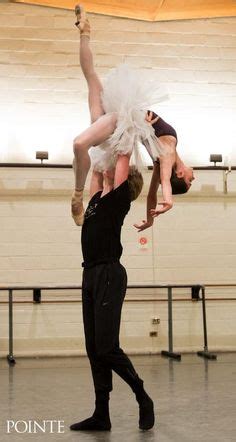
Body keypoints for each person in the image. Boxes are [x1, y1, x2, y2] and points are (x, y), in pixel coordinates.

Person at [71, 5, 194, 228]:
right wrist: (149, 220)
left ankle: (78, 197)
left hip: (123, 118)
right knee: (90, 77)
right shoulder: (161, 159)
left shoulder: (168, 153)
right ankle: (85, 32)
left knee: (90, 83)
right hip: (122, 116)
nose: (193, 177)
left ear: (180, 172)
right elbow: (150, 197)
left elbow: (163, 184)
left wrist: (169, 200)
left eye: (189, 180)